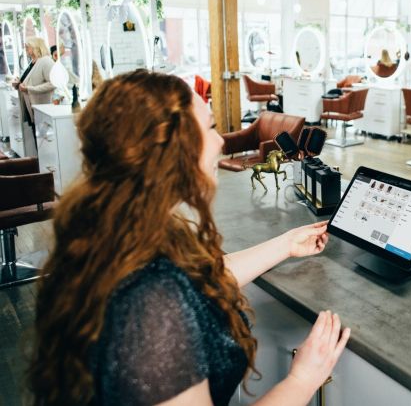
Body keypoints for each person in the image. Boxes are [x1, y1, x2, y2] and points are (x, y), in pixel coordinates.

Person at [29, 70, 350, 406]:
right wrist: (303, 379)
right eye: (210, 127)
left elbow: (199, 278)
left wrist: (285, 244)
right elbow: (169, 288)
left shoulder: (117, 228)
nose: (221, 142)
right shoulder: (150, 305)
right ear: (170, 149)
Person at [17, 37, 55, 127]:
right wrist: (18, 83)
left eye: (27, 46)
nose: (25, 48)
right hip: (31, 104)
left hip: (41, 106)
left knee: (40, 136)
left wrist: (29, 89)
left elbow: (52, 83)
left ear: (36, 47)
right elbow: (28, 80)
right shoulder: (33, 62)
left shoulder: (46, 61)